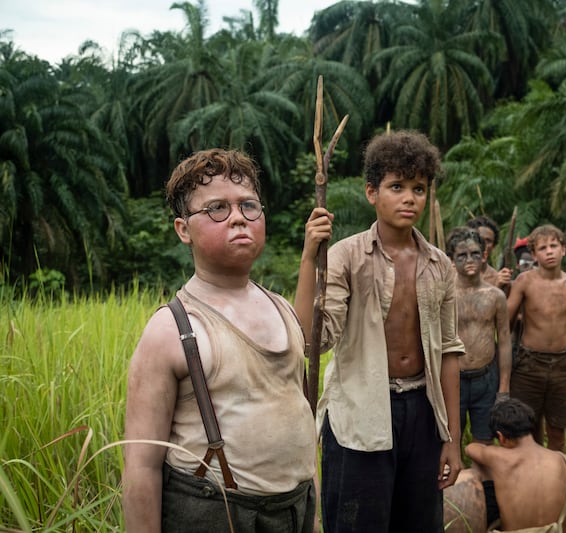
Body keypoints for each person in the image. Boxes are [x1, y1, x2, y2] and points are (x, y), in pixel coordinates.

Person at [122, 149, 319, 532]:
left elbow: (300, 425)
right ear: (183, 230)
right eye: (216, 209)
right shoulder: (172, 329)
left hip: (293, 511)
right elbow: (141, 466)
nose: (237, 219)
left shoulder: (281, 309)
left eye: (249, 206)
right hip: (216, 515)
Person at [296, 129, 465, 532]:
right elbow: (312, 341)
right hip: (359, 413)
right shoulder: (346, 257)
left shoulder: (439, 265)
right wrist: (308, 258)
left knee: (419, 522)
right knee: (358, 522)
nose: (409, 198)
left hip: (422, 411)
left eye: (419, 188)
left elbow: (449, 352)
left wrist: (452, 440)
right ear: (372, 192)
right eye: (397, 187)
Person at [506, 224, 566, 452]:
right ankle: (531, 480)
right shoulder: (525, 281)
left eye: (554, 246)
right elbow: (505, 322)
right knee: (526, 428)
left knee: (557, 429)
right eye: (542, 248)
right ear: (533, 254)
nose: (549, 251)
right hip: (529, 364)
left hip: (562, 365)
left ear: (564, 250)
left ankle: (555, 480)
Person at [444, 399, 566, 533]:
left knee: (478, 474)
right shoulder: (561, 460)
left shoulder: (498, 458)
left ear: (501, 437)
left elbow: (470, 448)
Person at [445, 226, 512, 445]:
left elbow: (504, 341)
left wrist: (503, 387)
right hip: (453, 377)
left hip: (486, 377)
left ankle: (482, 477)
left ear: (484, 256)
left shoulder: (495, 296)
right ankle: (453, 477)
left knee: (484, 440)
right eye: (462, 255)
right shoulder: (444, 296)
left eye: (475, 254)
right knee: (449, 438)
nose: (469, 259)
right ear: (451, 260)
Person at [467, 215, 513, 289]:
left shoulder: (498, 279)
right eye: (479, 238)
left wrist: (498, 287)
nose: (483, 244)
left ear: (493, 247)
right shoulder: (453, 273)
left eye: (488, 241)